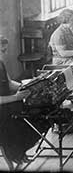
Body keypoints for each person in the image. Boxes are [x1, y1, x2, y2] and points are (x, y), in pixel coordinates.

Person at [0, 35, 49, 167]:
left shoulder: (1, 63)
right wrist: (16, 97)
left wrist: (27, 86)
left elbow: (9, 83)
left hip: (7, 103)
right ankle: (15, 155)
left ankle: (20, 153)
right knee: (15, 125)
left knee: (37, 114)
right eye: (2, 50)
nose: (5, 53)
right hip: (2, 108)